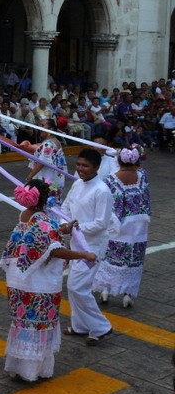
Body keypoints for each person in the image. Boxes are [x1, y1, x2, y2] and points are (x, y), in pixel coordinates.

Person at [0, 180, 97, 382]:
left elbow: (45, 236)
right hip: (38, 284)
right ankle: (32, 371)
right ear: (46, 199)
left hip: (19, 280)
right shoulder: (43, 219)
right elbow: (54, 249)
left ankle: (19, 366)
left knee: (23, 323)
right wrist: (83, 254)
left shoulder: (24, 216)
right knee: (39, 323)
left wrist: (64, 229)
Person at [59, 148, 114, 345]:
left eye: (85, 166)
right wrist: (63, 223)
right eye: (79, 164)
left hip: (92, 246)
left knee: (77, 287)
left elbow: (101, 223)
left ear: (97, 167)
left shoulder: (102, 191)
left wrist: (76, 227)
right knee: (74, 287)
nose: (81, 169)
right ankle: (80, 325)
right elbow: (65, 207)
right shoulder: (77, 185)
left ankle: (101, 327)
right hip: (76, 243)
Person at [92, 146, 151, 309]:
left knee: (111, 257)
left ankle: (105, 290)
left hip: (118, 224)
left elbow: (108, 204)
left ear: (117, 161)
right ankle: (128, 295)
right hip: (139, 225)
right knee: (133, 259)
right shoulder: (142, 176)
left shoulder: (110, 180)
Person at [25, 119, 67, 197]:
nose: (39, 128)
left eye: (43, 125)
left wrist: (29, 177)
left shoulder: (49, 144)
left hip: (48, 181)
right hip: (53, 180)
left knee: (47, 203)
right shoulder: (52, 142)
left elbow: (42, 161)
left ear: (51, 129)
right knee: (51, 203)